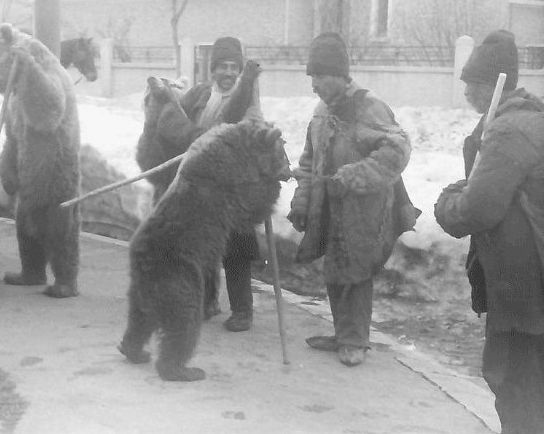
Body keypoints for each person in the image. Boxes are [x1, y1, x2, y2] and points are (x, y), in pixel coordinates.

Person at [434, 29, 544, 434]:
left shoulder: (509, 131)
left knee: (514, 379)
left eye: (473, 83)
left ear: (494, 83)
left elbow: (477, 209)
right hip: (531, 276)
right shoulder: (531, 120)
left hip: (521, 281)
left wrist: (446, 200)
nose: (467, 91)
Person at [288, 32, 418, 366]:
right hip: (328, 205)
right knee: (334, 268)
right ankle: (341, 332)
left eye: (318, 76)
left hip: (363, 209)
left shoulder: (369, 106)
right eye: (311, 77)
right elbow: (308, 161)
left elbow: (398, 148)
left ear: (338, 74)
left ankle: (356, 340)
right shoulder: (322, 110)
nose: (313, 84)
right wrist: (301, 202)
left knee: (358, 270)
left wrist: (353, 176)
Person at [142, 36, 264, 332]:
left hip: (232, 186)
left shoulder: (249, 101)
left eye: (234, 66)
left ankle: (243, 310)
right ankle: (207, 301)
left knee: (236, 248)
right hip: (200, 186)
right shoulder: (199, 95)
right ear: (212, 70)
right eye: (222, 66)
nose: (228, 73)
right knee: (199, 246)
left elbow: (251, 133)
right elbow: (172, 120)